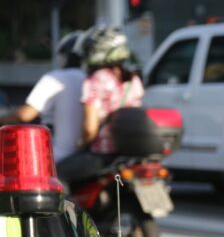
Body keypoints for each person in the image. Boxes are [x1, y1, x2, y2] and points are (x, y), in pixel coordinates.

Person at [57, 25, 144, 184]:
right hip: (129, 154)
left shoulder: (95, 80)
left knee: (58, 175)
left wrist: (80, 145)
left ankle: (72, 210)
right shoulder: (133, 79)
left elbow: (90, 129)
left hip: (103, 154)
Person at [0, 31, 84, 163]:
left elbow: (25, 114)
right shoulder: (95, 80)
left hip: (59, 158)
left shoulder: (56, 77)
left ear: (65, 56)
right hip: (88, 158)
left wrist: (3, 119)